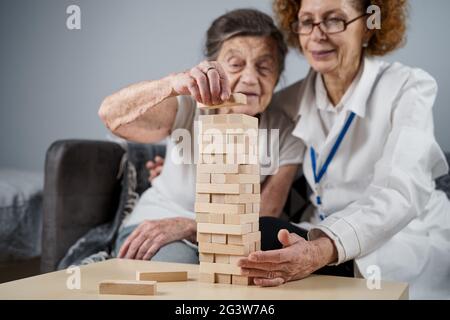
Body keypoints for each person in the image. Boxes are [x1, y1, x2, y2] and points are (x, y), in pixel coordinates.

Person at [236, 0, 450, 299]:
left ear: (368, 27)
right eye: (307, 21)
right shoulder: (288, 101)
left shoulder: (409, 87)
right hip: (323, 233)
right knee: (261, 238)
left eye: (334, 20)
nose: (317, 34)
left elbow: (401, 190)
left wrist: (322, 249)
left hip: (406, 236)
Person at [98, 9, 305, 264]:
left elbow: (263, 214)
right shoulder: (188, 106)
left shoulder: (286, 132)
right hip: (159, 229)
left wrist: (193, 227)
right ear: (214, 67)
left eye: (264, 67)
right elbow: (111, 115)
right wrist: (172, 84)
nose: (251, 79)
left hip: (232, 239)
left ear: (277, 76)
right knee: (183, 273)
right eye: (236, 65)